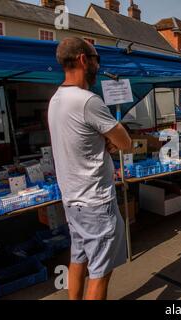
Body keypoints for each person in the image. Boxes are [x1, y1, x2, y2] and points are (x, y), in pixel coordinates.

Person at [48, 38, 132, 300]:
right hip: (95, 202)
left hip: (72, 201)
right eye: (97, 59)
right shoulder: (88, 101)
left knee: (78, 259)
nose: (98, 65)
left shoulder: (56, 99)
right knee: (99, 273)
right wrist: (110, 141)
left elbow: (80, 140)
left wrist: (103, 140)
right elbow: (126, 143)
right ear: (84, 60)